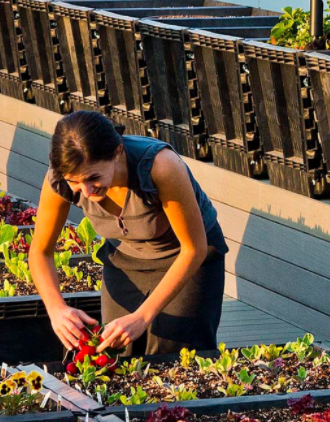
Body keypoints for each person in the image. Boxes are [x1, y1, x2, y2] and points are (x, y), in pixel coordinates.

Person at [30, 111, 228, 357]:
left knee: (173, 356)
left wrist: (142, 316)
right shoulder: (59, 180)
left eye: (94, 177)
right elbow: (40, 251)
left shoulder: (160, 166)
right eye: (75, 182)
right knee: (116, 353)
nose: (87, 191)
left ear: (117, 152)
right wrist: (56, 308)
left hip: (186, 258)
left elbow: (193, 249)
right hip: (126, 259)